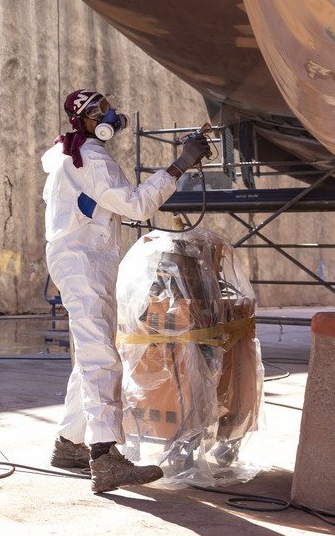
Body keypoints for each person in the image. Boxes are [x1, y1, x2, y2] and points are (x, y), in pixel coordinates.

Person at [42, 89, 210, 492]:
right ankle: (104, 457)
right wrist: (179, 165)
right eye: (97, 111)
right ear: (81, 121)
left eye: (105, 107)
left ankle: (69, 443)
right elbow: (137, 206)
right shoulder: (92, 157)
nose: (108, 115)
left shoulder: (73, 154)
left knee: (90, 351)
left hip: (82, 257)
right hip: (83, 260)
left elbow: (103, 206)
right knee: (100, 354)